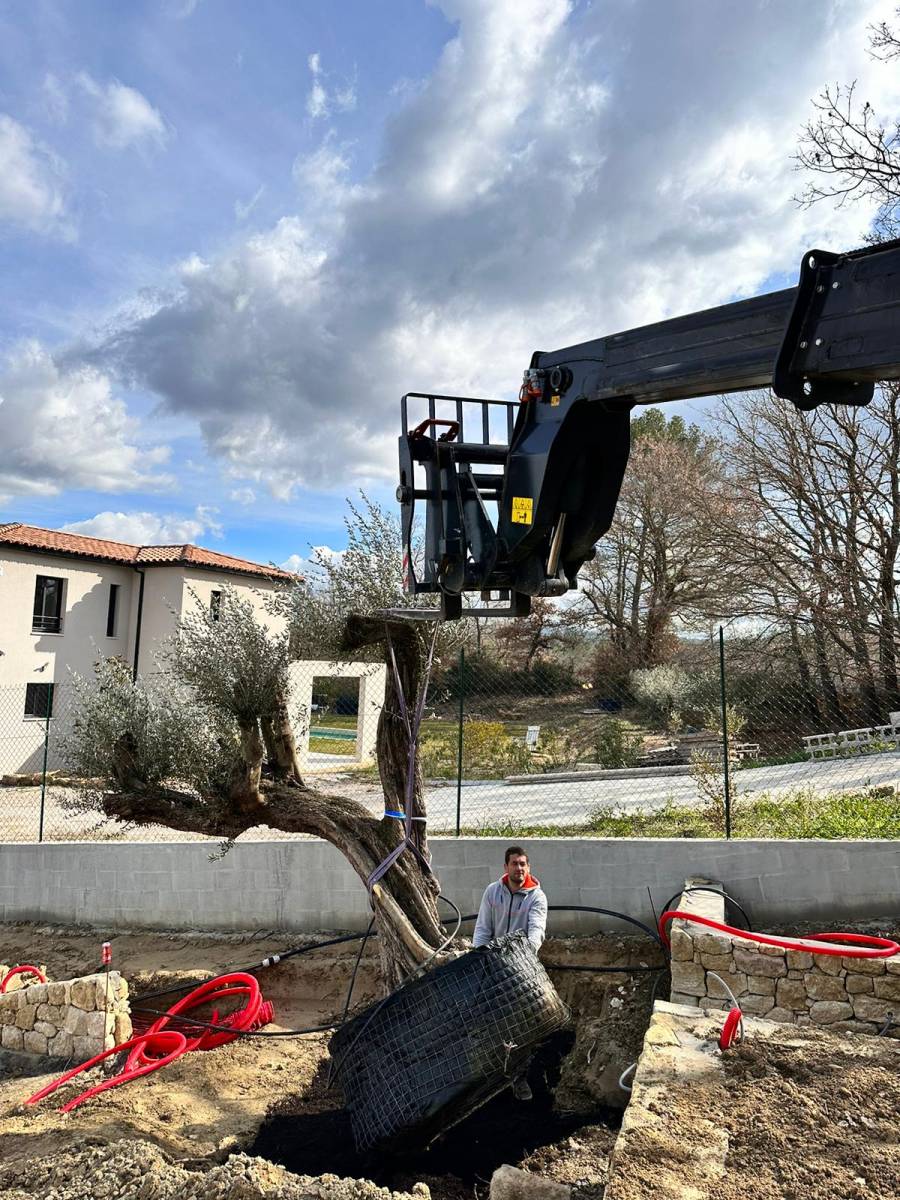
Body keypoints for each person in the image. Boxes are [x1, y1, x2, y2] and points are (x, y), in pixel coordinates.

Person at [472, 846, 548, 1101]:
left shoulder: (536, 898)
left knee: (519, 1025)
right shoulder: (493, 893)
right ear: (505, 867)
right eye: (515, 863)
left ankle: (519, 1077)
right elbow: (483, 929)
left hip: (519, 967)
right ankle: (486, 1078)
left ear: (529, 867)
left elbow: (535, 933)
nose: (519, 868)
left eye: (523, 864)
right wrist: (479, 959)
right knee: (488, 1021)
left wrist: (520, 959)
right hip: (493, 965)